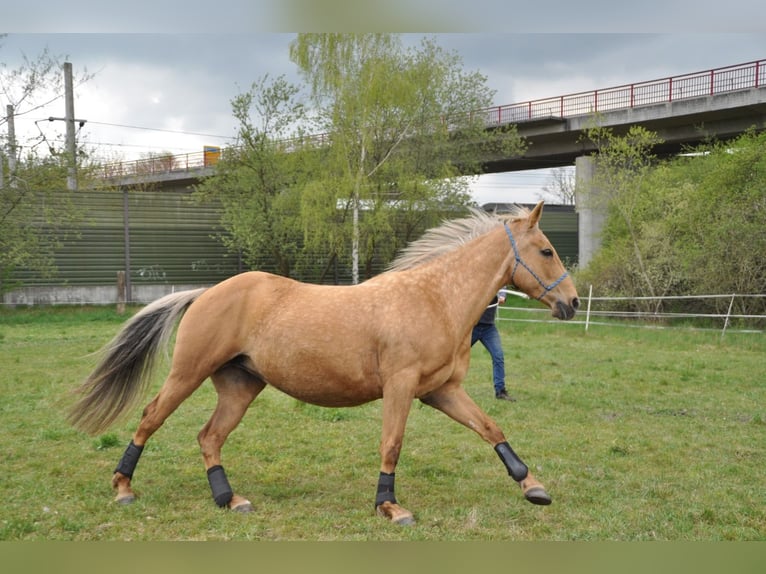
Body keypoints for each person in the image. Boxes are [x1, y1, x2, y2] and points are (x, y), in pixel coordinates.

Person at [471, 291, 516, 401]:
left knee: (498, 356)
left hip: (489, 328)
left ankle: (500, 391)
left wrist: (502, 296)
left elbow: (502, 287)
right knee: (453, 355)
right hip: (472, 327)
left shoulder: (495, 280)